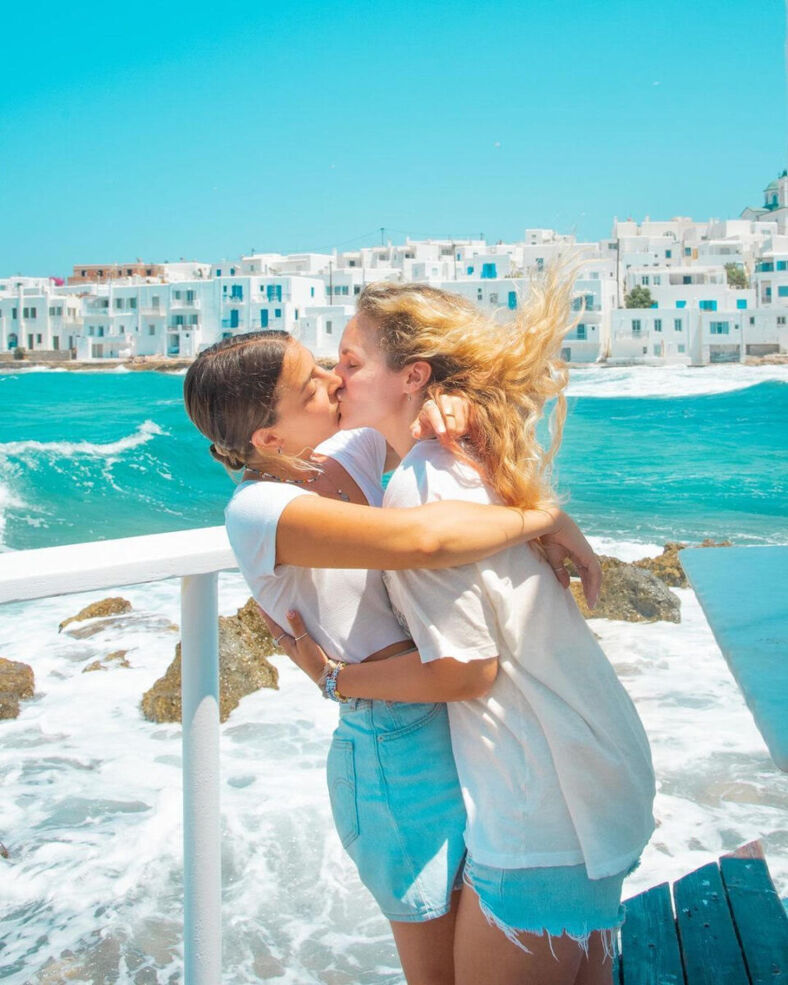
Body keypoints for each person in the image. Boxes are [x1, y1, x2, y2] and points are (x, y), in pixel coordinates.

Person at [266, 273, 656, 985]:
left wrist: (333, 676)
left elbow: (465, 670)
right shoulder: (465, 452)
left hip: (541, 806)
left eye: (351, 363)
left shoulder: (422, 483)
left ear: (412, 375)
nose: (335, 377)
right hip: (586, 770)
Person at [182, 329, 602, 985]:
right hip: (391, 755)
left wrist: (453, 408)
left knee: (520, 947)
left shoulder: (343, 450)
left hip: (460, 718)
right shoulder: (259, 511)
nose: (334, 379)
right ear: (268, 439)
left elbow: (423, 400)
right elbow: (423, 540)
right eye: (311, 383)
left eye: (327, 363)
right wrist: (543, 519)